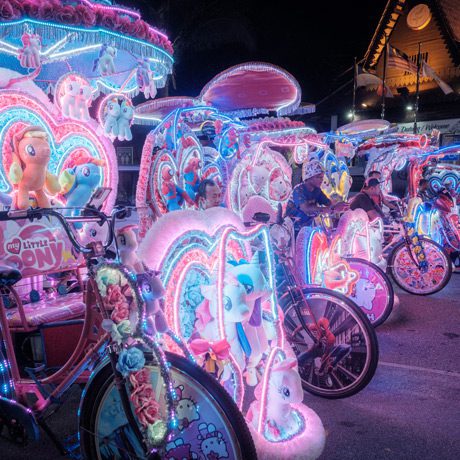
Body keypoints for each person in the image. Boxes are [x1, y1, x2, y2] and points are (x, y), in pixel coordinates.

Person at [285, 160, 346, 232]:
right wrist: (331, 208)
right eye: (319, 177)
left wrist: (340, 206)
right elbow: (306, 208)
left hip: (306, 228)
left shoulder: (317, 191)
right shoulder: (298, 190)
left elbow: (329, 203)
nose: (322, 180)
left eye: (322, 177)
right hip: (291, 228)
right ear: (309, 177)